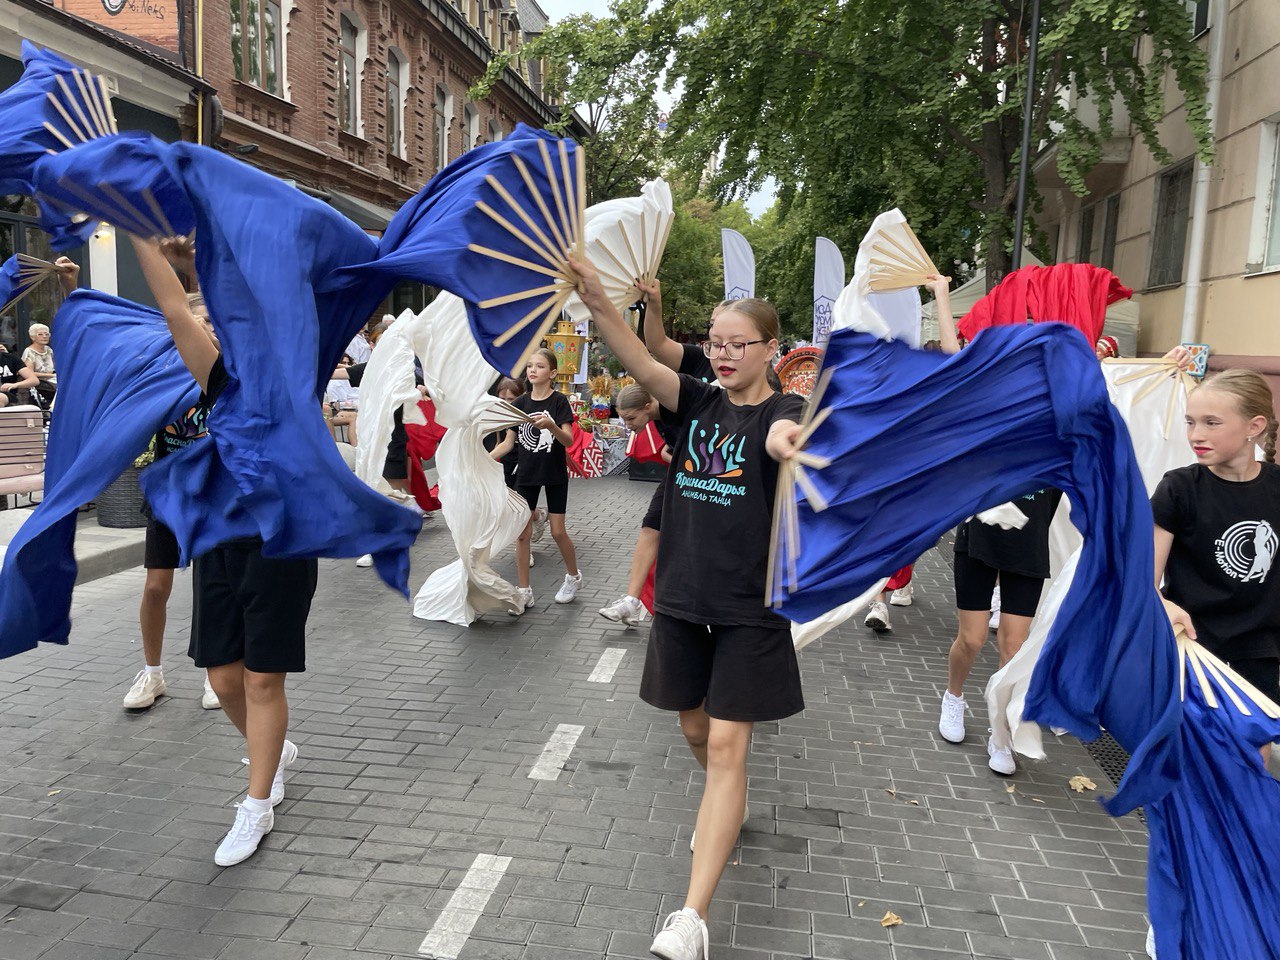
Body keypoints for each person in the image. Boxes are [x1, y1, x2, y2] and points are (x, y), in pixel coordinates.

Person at [571, 255, 805, 960]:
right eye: (717, 340)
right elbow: (639, 359)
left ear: (771, 349)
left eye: (740, 342)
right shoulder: (696, 401)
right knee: (697, 731)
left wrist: (786, 442)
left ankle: (692, 918)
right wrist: (596, 298)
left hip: (750, 608)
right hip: (681, 597)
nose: (725, 352)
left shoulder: (784, 409)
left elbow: (782, 434)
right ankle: (722, 803)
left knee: (731, 745)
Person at [132, 235, 315, 867]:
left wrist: (204, 268)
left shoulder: (296, 380)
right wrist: (139, 231)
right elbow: (178, 312)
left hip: (280, 543)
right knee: (222, 676)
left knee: (264, 677)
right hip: (218, 539)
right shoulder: (217, 383)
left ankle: (257, 803)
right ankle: (275, 750)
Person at [1153, 369, 1280, 761]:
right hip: (1191, 647)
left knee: (1251, 754)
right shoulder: (1178, 488)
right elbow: (1142, 579)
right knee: (1190, 755)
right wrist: (1165, 604)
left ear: (1253, 426)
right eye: (1191, 422)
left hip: (1258, 649)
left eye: (1211, 423)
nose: (1195, 435)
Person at [122, 283, 221, 715]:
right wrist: (72, 290)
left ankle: (214, 673)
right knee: (156, 585)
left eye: (211, 322)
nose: (204, 328)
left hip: (214, 494)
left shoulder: (227, 373)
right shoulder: (161, 374)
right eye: (196, 321)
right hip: (167, 491)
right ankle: (153, 672)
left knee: (211, 587)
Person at [490, 348, 581, 608]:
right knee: (522, 535)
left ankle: (573, 577)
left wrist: (551, 425)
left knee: (557, 532)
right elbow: (508, 444)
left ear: (552, 373)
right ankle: (524, 590)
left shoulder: (559, 402)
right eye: (530, 366)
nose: (533, 370)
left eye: (540, 366)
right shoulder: (520, 404)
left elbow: (568, 440)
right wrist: (484, 458)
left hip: (554, 474)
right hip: (527, 475)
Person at [599, 382, 674, 626]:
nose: (628, 425)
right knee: (650, 527)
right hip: (675, 477)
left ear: (647, 406)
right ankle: (633, 599)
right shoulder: (659, 417)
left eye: (631, 418)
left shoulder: (675, 411)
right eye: (624, 419)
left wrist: (669, 454)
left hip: (696, 481)